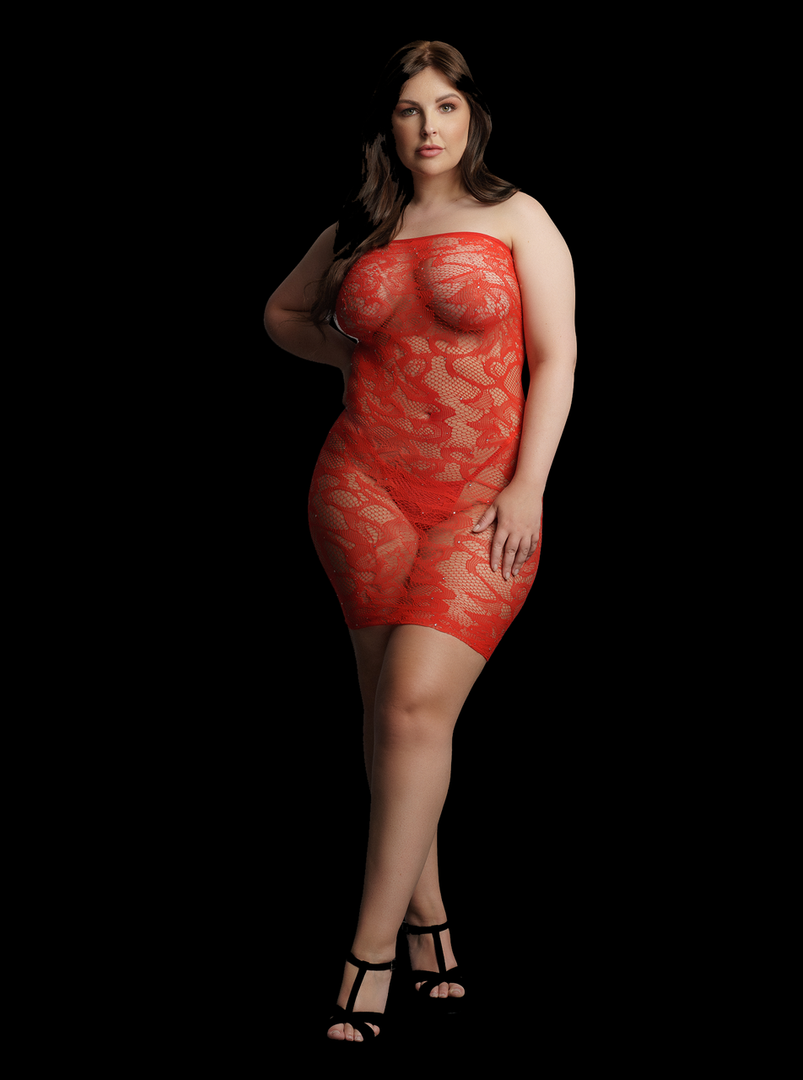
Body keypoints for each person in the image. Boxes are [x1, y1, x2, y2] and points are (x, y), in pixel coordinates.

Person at [264, 40, 576, 1043]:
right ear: (388, 126)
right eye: (409, 109)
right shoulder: (362, 226)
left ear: (471, 114)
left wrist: (528, 487)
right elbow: (281, 314)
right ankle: (431, 923)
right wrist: (344, 355)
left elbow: (557, 355)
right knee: (391, 721)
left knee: (409, 709)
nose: (428, 126)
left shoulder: (518, 217)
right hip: (361, 488)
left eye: (444, 106)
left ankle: (367, 960)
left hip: (481, 502)